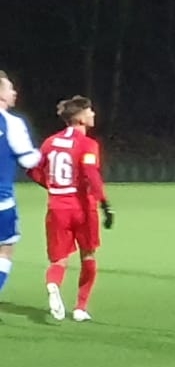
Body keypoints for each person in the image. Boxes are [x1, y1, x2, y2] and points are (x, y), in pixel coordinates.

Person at [31, 95, 112, 322]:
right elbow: (91, 174)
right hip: (82, 208)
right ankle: (80, 308)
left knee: (58, 259)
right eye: (89, 111)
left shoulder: (50, 142)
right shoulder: (87, 144)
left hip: (57, 207)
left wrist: (52, 186)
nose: (93, 114)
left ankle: (53, 284)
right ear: (80, 118)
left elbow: (33, 169)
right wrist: (104, 203)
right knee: (88, 255)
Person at [0, 71, 44, 314]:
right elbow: (28, 160)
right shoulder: (12, 123)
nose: (14, 92)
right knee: (5, 248)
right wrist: (41, 153)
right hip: (2, 201)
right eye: (10, 88)